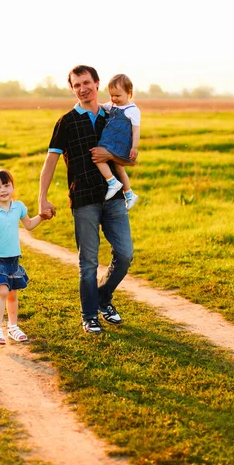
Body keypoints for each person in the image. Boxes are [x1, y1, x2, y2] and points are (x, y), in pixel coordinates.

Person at [38, 65, 134, 334]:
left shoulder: (112, 116)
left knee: (125, 255)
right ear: (72, 88)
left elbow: (130, 160)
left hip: (113, 198)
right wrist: (42, 199)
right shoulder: (66, 122)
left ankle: (103, 298)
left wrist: (109, 157)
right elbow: (50, 164)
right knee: (88, 262)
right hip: (83, 200)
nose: (82, 89)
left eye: (86, 83)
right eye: (77, 84)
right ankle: (89, 314)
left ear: (97, 83)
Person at [0, 168, 52, 345]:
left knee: (12, 295)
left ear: (13, 187)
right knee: (3, 291)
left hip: (14, 259)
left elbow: (28, 225)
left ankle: (13, 327)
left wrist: (42, 217)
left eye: (6, 185)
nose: (3, 190)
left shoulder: (18, 207)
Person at [96, 73, 140, 210]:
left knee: (97, 158)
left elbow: (136, 130)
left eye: (117, 96)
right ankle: (129, 194)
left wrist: (134, 147)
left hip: (119, 143)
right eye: (111, 95)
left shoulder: (132, 110)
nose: (114, 99)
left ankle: (112, 182)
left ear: (129, 93)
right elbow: (102, 106)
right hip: (111, 141)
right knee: (119, 168)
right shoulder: (112, 105)